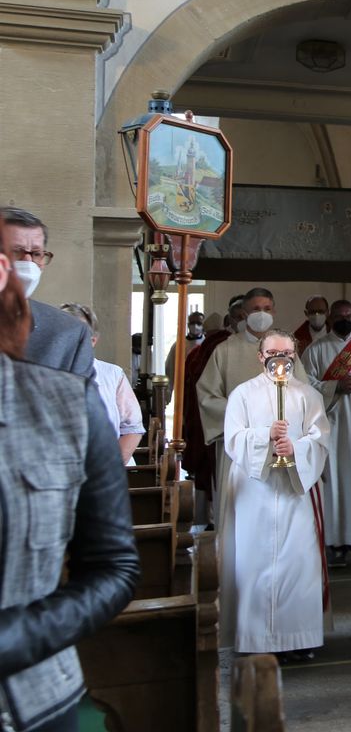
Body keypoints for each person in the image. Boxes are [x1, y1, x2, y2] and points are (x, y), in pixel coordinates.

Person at [0, 217, 139, 732]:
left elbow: (113, 568)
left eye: (37, 253)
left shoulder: (65, 400)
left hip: (33, 698)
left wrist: (14, 638)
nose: (29, 263)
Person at [221, 330, 330, 659]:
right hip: (256, 491)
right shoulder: (242, 394)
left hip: (295, 489)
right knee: (253, 563)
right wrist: (265, 438)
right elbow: (233, 437)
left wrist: (294, 448)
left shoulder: (308, 395)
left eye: (287, 351)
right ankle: (256, 641)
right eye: (272, 351)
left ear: (295, 355)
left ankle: (298, 639)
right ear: (260, 355)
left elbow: (321, 437)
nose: (279, 356)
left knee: (298, 564)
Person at [197, 288, 308, 528]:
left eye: (267, 309)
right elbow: (207, 396)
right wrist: (247, 417)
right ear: (243, 313)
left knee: (277, 514)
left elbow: (303, 392)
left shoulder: (286, 351)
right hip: (241, 442)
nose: (262, 314)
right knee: (241, 514)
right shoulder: (225, 350)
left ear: (274, 311)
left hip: (279, 441)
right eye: (256, 309)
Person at [301, 299, 351, 567]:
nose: (345, 319)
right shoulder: (315, 350)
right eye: (340, 315)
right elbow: (305, 385)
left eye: (349, 315)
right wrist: (335, 386)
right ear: (330, 318)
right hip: (327, 423)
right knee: (332, 481)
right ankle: (330, 540)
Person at [0, 207, 94, 378]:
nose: (28, 262)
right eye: (15, 252)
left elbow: (82, 401)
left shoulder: (68, 332)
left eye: (36, 254)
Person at [181, 296, 244, 522]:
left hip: (215, 421)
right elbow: (203, 391)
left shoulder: (205, 349)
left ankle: (205, 521)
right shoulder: (219, 349)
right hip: (222, 424)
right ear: (230, 320)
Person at [59, 303, 145, 465]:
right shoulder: (41, 372)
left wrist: (110, 468)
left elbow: (131, 428)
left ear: (92, 340)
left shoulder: (112, 375)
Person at [164, 310, 207, 398]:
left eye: (198, 323)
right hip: (183, 387)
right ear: (188, 325)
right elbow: (170, 368)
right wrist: (168, 392)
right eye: (192, 323)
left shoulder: (207, 344)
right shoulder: (179, 345)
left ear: (203, 325)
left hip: (203, 388)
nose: (195, 326)